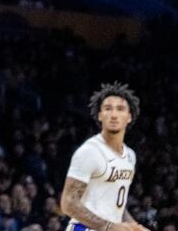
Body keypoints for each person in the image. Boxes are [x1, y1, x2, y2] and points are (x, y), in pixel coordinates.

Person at [61, 83, 149, 231]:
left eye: (120, 109)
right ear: (100, 115)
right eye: (108, 109)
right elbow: (68, 203)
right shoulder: (89, 152)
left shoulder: (130, 156)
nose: (113, 115)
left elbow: (114, 204)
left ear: (129, 117)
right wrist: (107, 226)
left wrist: (134, 226)